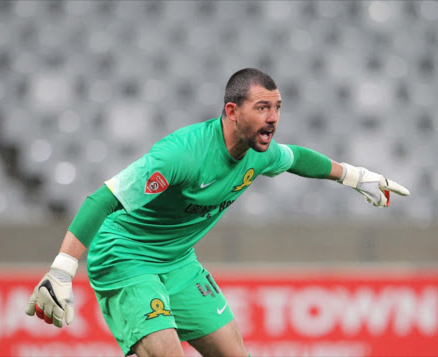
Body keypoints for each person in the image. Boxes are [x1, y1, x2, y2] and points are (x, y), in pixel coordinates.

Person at [25, 68, 410, 357]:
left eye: (277, 108)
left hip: (178, 262)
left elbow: (299, 159)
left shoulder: (260, 155)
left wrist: (356, 177)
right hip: (126, 257)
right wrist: (62, 269)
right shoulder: (181, 154)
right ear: (231, 111)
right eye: (262, 108)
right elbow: (101, 199)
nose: (273, 118)